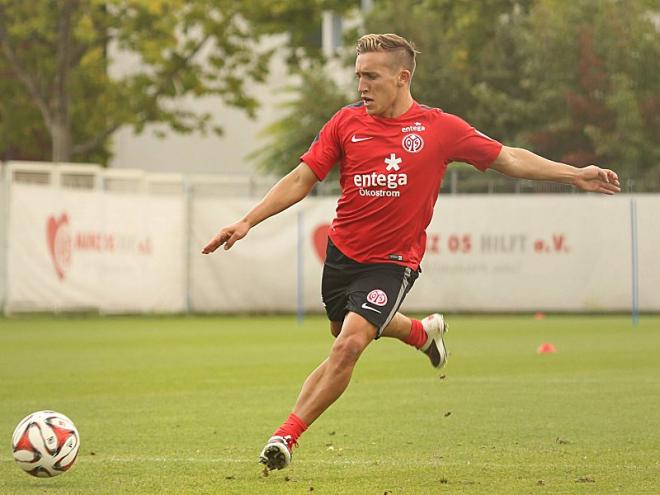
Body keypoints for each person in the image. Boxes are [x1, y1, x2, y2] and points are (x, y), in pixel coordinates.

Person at [202, 33, 620, 471]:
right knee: (343, 332)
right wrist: (248, 220)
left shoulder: (440, 129)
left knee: (347, 346)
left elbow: (509, 158)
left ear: (402, 78)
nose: (361, 85)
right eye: (358, 75)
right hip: (343, 255)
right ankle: (422, 334)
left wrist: (574, 175)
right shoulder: (345, 123)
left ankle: (285, 437)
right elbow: (301, 178)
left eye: (371, 76)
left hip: (393, 262)